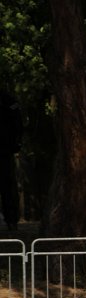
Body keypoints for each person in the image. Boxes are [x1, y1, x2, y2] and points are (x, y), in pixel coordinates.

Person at [0, 90, 23, 231]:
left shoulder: (6, 99)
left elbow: (17, 122)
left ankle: (11, 221)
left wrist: (16, 144)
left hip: (3, 150)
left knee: (7, 186)